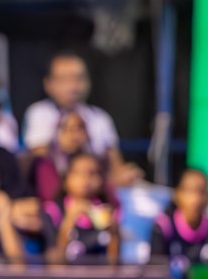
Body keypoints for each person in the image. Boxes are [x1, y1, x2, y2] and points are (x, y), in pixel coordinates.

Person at [22, 52, 137, 185]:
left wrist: (125, 175)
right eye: (64, 79)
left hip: (98, 193)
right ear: (48, 84)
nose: (73, 87)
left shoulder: (100, 117)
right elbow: (41, 166)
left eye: (79, 78)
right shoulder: (39, 112)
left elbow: (116, 167)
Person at [47, 152, 121, 264]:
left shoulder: (107, 212)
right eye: (78, 173)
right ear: (66, 179)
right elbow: (55, 264)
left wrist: (114, 233)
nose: (85, 179)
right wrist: (69, 221)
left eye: (92, 173)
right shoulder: (54, 211)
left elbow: (113, 266)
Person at [151, 167, 208, 266]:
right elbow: (155, 272)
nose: (196, 198)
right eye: (190, 190)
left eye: (202, 191)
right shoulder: (164, 227)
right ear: (177, 194)